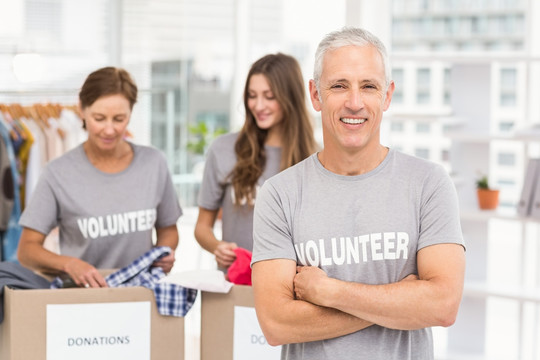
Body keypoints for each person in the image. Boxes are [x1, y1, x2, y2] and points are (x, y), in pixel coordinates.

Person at [251, 27, 466, 360]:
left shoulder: (429, 183)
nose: (354, 102)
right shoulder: (279, 195)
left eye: (369, 86)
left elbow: (442, 306)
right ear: (316, 94)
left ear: (387, 95)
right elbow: (276, 324)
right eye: (339, 86)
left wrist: (330, 292)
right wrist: (401, 303)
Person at [17, 67, 182, 288]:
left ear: (131, 114)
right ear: (82, 110)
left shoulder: (154, 164)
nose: (109, 129)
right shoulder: (57, 173)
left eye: (119, 119)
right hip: (83, 299)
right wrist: (69, 264)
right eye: (99, 118)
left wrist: (164, 254)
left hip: (143, 296)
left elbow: (168, 231)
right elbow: (27, 250)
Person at [194, 53, 318, 270]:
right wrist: (217, 247)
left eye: (269, 96)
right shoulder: (223, 150)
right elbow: (202, 227)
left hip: (290, 290)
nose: (258, 106)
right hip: (235, 285)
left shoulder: (317, 159)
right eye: (252, 95)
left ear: (290, 97)